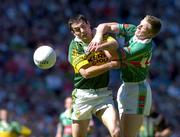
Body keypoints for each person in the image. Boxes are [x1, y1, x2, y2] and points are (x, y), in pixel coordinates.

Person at [88, 15, 162, 137]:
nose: (138, 26)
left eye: (143, 27)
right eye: (140, 23)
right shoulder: (133, 29)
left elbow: (114, 56)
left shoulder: (142, 47)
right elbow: (104, 26)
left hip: (138, 92)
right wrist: (98, 36)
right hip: (125, 87)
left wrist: (103, 43)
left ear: (150, 35)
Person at [68, 14, 121, 137]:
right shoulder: (75, 47)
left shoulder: (100, 36)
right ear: (73, 33)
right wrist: (110, 65)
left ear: (88, 25)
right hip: (82, 96)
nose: (82, 31)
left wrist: (99, 44)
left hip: (103, 95)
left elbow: (115, 45)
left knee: (117, 132)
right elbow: (86, 73)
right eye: (77, 29)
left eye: (83, 26)